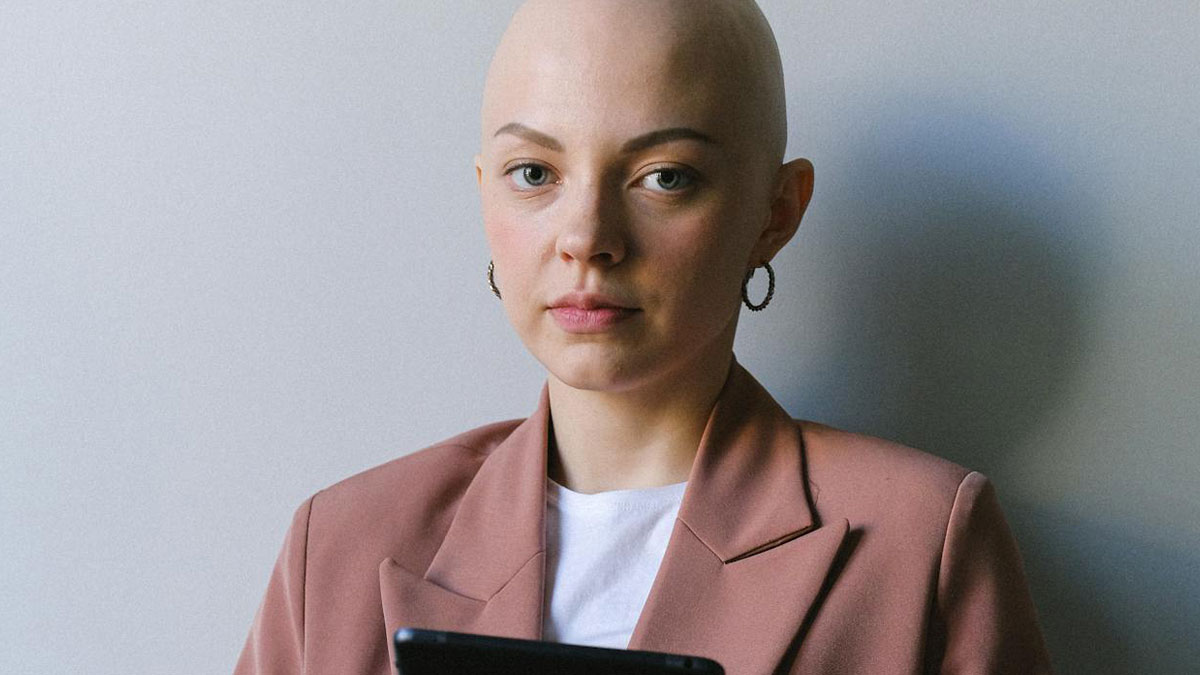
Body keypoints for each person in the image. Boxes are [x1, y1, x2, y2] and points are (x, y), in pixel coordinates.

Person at [236, 1, 1052, 673]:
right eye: (535, 174)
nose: (587, 236)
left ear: (776, 213)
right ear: (486, 197)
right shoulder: (339, 545)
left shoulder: (922, 542)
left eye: (665, 175)